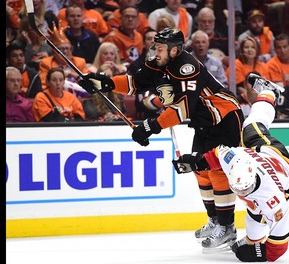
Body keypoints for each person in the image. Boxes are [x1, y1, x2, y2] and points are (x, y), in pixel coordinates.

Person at [79, 28, 245, 250]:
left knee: (216, 169)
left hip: (224, 117)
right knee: (200, 170)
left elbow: (183, 109)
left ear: (174, 50)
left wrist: (150, 126)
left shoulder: (188, 67)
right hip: (205, 120)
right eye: (155, 46)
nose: (155, 51)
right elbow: (135, 82)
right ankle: (215, 221)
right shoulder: (158, 61)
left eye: (159, 47)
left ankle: (227, 227)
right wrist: (105, 83)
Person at [171, 75, 289, 261]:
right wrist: (195, 162)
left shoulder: (273, 202)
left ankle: (249, 238)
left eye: (244, 189)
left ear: (252, 180)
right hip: (267, 153)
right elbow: (215, 155)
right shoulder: (236, 157)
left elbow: (279, 247)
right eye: (237, 188)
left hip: (282, 169)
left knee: (255, 230)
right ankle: (270, 91)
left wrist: (258, 254)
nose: (241, 192)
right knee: (251, 125)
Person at [38, 22, 90, 91]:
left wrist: (72, 74)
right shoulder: (46, 63)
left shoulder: (80, 62)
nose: (65, 51)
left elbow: (89, 83)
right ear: (54, 51)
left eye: (67, 48)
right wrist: (61, 76)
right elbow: (44, 85)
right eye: (61, 49)